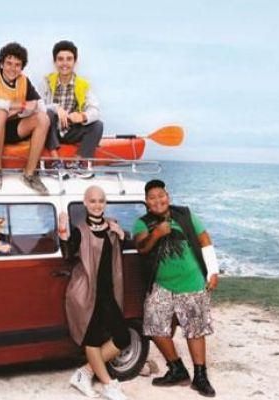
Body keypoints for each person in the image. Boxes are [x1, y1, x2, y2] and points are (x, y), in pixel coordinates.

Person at [133, 179, 219, 397]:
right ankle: (177, 369)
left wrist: (213, 271)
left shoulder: (185, 214)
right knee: (153, 326)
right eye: (152, 198)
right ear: (146, 202)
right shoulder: (142, 223)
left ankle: (200, 377)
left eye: (161, 195)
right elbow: (142, 248)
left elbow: (204, 239)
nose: (158, 200)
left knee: (195, 329)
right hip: (161, 285)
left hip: (192, 282)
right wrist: (157, 234)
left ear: (167, 196)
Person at [58, 185, 132, 400]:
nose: (97, 205)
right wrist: (62, 231)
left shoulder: (113, 226)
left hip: (108, 293)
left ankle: (85, 372)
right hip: (86, 293)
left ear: (105, 203)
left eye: (101, 200)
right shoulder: (80, 230)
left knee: (123, 337)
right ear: (85, 203)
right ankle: (108, 385)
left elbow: (119, 252)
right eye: (92, 201)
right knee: (92, 339)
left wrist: (122, 235)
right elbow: (68, 255)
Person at [0, 42, 50, 194]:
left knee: (43, 119)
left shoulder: (24, 81)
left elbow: (41, 108)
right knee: (0, 112)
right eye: (9, 63)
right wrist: (18, 105)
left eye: (17, 65)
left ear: (22, 67)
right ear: (1, 63)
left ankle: (30, 174)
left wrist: (19, 111)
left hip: (9, 127)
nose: (13, 68)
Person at [40, 40, 103, 174]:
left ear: (75, 62)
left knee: (97, 125)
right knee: (47, 114)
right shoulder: (46, 81)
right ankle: (56, 162)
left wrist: (82, 116)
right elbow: (38, 107)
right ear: (55, 62)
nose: (64, 63)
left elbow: (95, 110)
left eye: (69, 59)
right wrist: (56, 108)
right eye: (60, 59)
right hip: (51, 132)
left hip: (71, 131)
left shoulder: (83, 84)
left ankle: (76, 163)